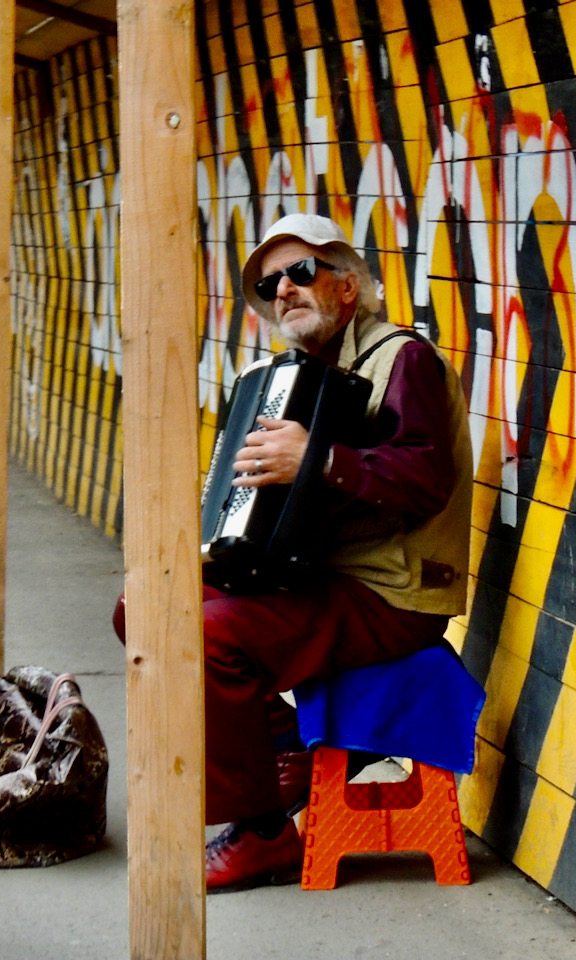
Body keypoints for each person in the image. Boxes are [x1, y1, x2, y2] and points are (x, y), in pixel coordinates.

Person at [190, 214, 472, 892]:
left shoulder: (401, 359)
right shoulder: (284, 377)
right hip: (315, 578)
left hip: (393, 591)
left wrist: (314, 460)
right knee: (145, 606)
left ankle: (262, 835)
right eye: (269, 282)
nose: (282, 288)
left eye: (301, 271)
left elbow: (426, 481)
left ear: (348, 287)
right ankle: (279, 744)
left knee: (203, 635)